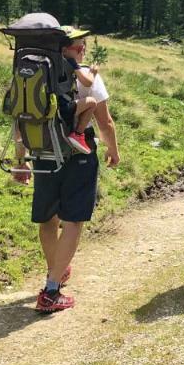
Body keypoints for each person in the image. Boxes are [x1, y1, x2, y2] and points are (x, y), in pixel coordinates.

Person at [13, 26, 120, 313]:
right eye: (78, 46)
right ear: (66, 48)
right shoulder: (84, 76)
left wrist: (19, 159)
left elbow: (21, 118)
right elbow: (105, 121)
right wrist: (114, 150)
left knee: (48, 219)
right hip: (77, 155)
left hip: (43, 151)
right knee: (73, 220)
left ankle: (56, 271)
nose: (83, 49)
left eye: (84, 45)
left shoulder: (32, 72)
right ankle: (50, 289)